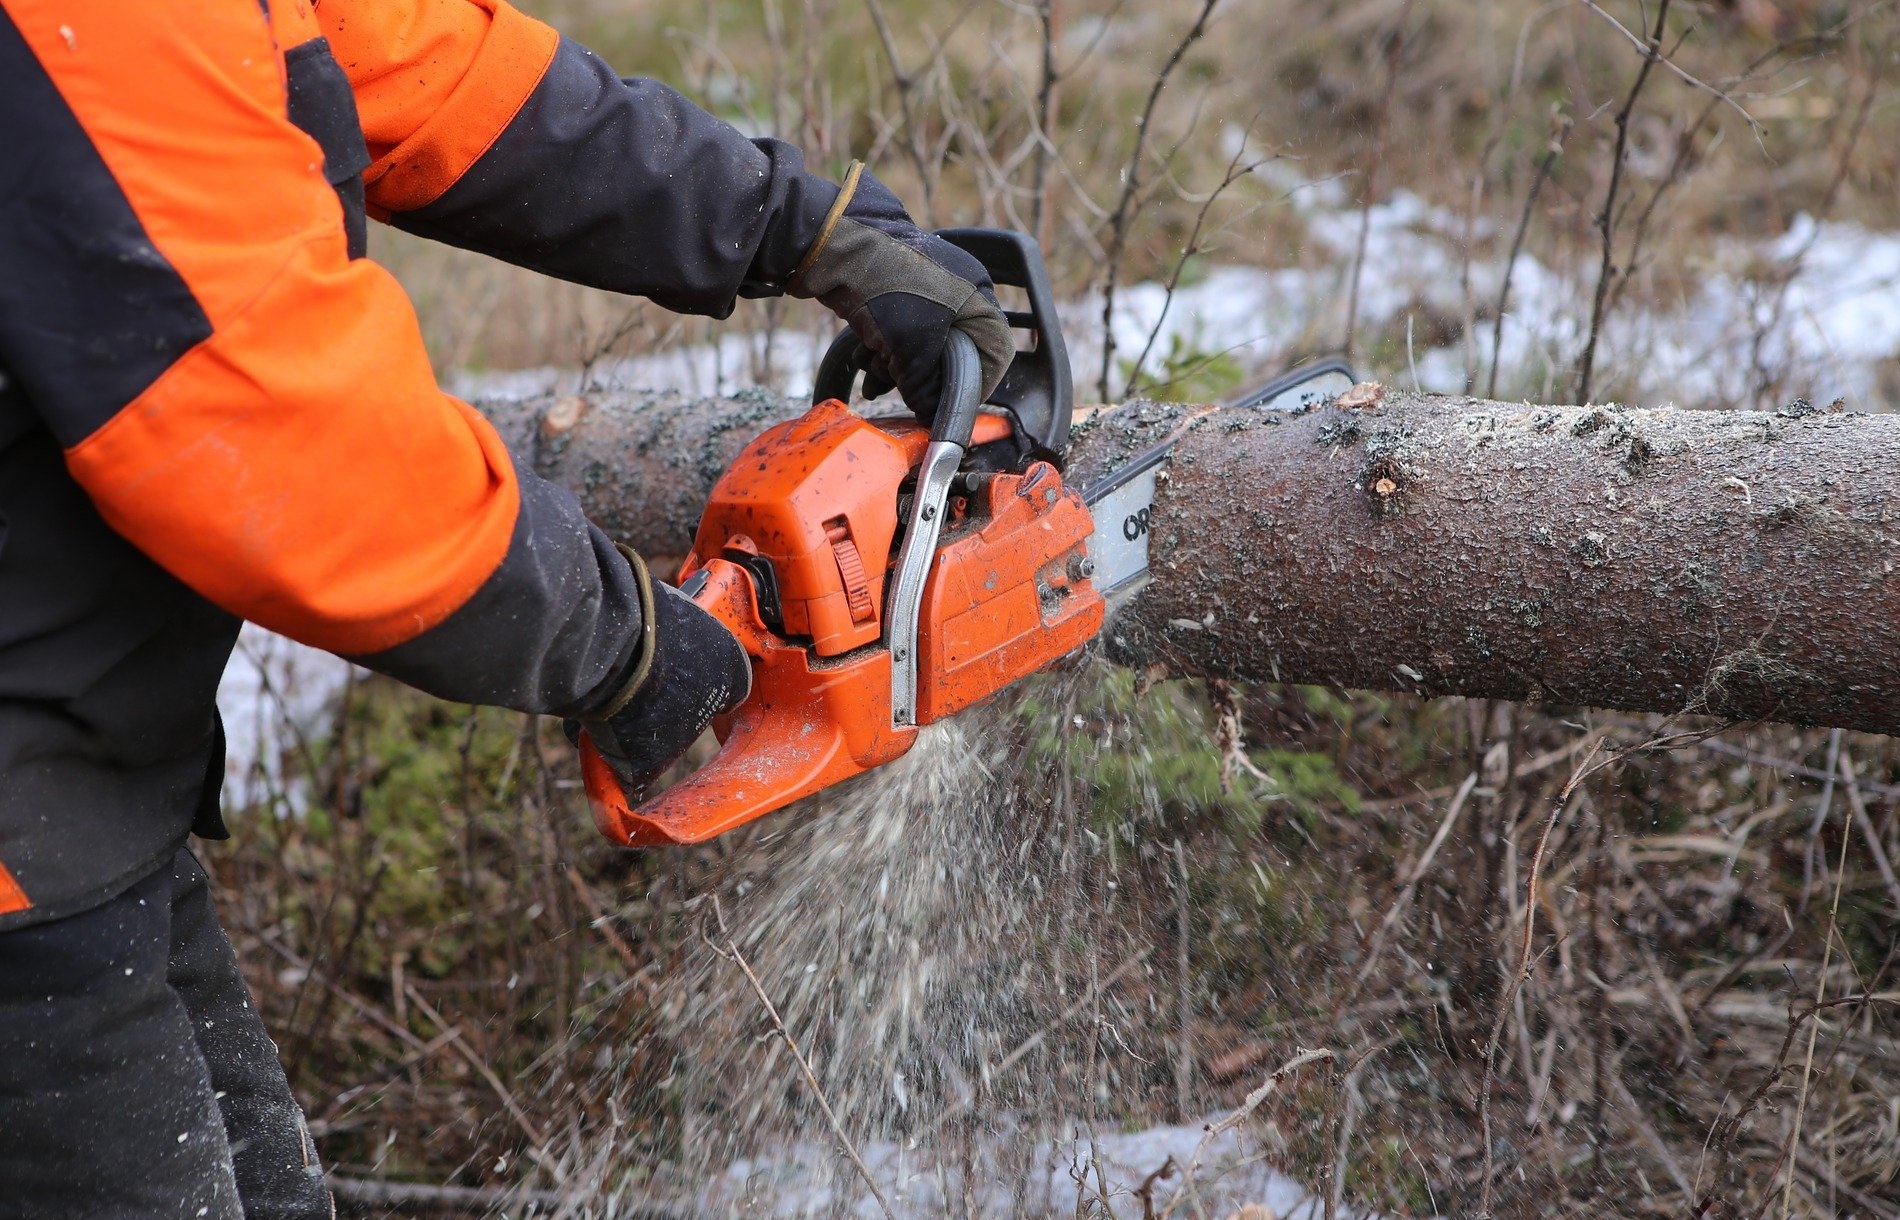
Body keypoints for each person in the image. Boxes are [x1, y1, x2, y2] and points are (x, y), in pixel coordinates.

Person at [0, 0, 1013, 1213]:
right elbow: (269, 429)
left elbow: (426, 71)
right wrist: (616, 637)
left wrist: (790, 223)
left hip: (82, 802)